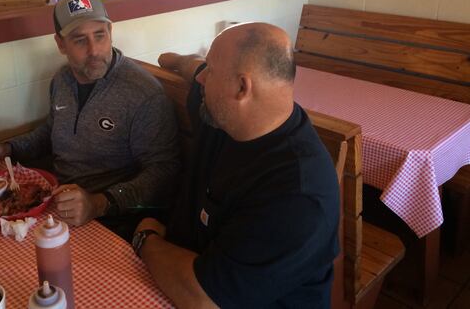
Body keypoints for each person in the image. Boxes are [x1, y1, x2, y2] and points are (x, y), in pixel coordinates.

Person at [132, 23, 340, 308]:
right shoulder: (227, 115)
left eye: (211, 70)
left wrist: (147, 239)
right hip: (178, 273)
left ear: (242, 87)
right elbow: (192, 68)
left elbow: (204, 298)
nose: (202, 78)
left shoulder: (297, 195)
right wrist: (175, 60)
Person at [0, 0, 179, 240]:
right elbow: (51, 131)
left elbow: (164, 173)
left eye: (100, 36)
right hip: (54, 202)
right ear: (61, 44)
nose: (94, 50)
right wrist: (6, 148)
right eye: (80, 40)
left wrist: (98, 203)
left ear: (110, 32)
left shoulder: (143, 94)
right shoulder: (61, 80)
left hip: (113, 220)